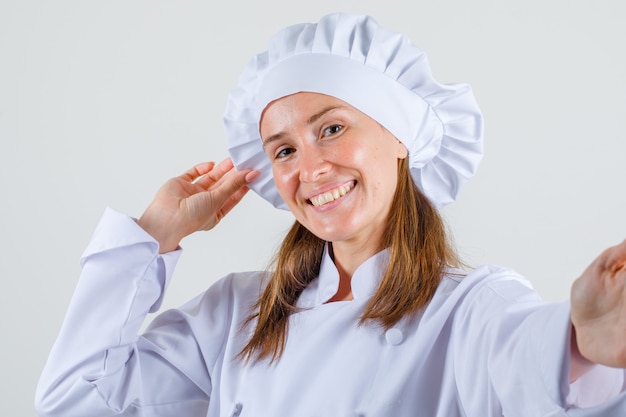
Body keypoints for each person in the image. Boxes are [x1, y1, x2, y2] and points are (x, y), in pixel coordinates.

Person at [35, 13, 626, 417]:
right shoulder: (238, 314)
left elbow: (525, 355)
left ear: (402, 138)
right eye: (284, 150)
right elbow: (76, 401)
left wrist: (583, 344)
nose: (310, 167)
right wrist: (153, 239)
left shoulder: (469, 308)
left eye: (333, 128)